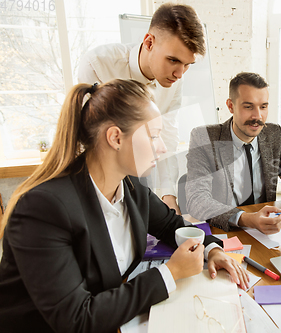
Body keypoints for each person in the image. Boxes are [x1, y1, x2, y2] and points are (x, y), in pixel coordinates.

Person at [0, 79, 248, 333]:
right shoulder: (42, 209)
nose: (162, 148)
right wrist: (170, 273)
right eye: (153, 136)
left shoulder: (131, 188)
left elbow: (171, 224)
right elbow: (75, 320)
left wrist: (212, 250)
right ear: (116, 137)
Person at [78, 3, 205, 214]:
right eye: (173, 60)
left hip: (144, 170)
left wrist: (168, 194)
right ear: (149, 42)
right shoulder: (98, 64)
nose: (179, 73)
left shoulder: (175, 81)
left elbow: (169, 137)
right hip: (98, 179)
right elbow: (90, 144)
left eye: (187, 64)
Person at [186, 72, 281, 234]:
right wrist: (246, 219)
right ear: (230, 106)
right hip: (224, 231)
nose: (258, 116)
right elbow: (197, 199)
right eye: (248, 107)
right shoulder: (204, 138)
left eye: (263, 106)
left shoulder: (273, 134)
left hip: (266, 232)